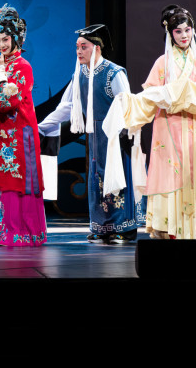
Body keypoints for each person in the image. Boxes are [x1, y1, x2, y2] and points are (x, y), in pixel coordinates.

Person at [102, 6, 196, 242]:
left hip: (194, 125)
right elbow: (150, 96)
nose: (184, 35)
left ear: (193, 30)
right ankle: (166, 228)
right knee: (168, 173)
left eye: (187, 30)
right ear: (170, 34)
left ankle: (195, 228)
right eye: (178, 31)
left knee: (194, 173)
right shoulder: (163, 62)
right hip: (167, 126)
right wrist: (130, 103)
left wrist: (186, 92)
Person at [38, 24, 141, 243]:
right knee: (97, 179)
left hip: (115, 134)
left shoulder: (113, 72)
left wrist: (124, 132)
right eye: (77, 47)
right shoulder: (80, 74)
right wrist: (41, 126)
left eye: (83, 47)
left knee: (116, 178)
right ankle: (102, 227)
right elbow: (66, 107)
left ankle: (124, 227)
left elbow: (127, 104)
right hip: (95, 135)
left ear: (97, 48)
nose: (79, 51)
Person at [0, 5, 47, 246]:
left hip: (20, 132)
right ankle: (0, 232)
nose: (1, 45)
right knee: (0, 179)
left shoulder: (23, 66)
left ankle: (22, 232)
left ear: (16, 38)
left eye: (5, 39)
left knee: (17, 178)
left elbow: (7, 102)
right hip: (2, 132)